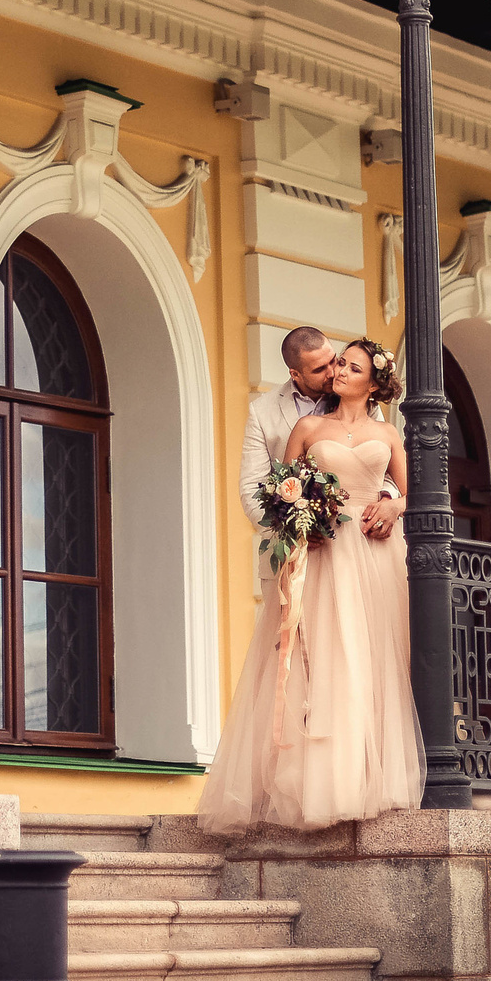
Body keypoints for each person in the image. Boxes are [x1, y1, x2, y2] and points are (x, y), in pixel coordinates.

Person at [198, 338, 422, 834]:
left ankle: (366, 779)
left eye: (348, 365)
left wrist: (393, 505)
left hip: (375, 554)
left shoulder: (387, 433)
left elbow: (410, 490)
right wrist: (302, 524)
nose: (337, 370)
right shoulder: (300, 424)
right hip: (319, 553)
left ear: (373, 381)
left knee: (368, 659)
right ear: (301, 374)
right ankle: (314, 783)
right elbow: (275, 488)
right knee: (316, 660)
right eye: (333, 363)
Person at [238, 326, 336, 516]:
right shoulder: (261, 411)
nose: (332, 373)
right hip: (298, 539)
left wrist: (388, 499)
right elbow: (252, 488)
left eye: (333, 360)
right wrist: (288, 530)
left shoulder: (358, 396)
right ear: (295, 374)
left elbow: (384, 458)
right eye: (319, 369)